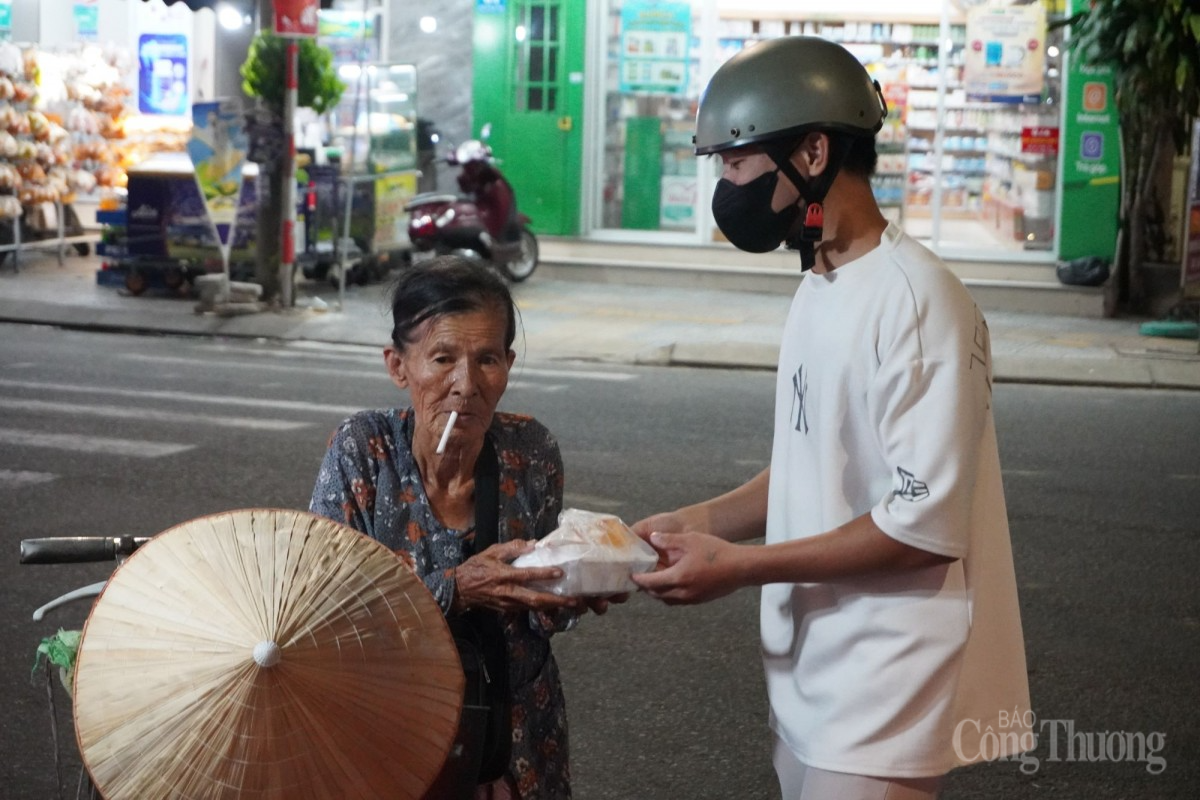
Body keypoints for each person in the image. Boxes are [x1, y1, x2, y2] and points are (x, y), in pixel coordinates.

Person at [631, 36, 1032, 800]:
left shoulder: (916, 303)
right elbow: (813, 460)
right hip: (812, 671)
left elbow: (922, 527)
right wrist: (697, 519)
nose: (727, 186)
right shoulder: (822, 280)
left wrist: (738, 567)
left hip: (882, 687)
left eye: (738, 162)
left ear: (812, 152)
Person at [310, 256, 607, 800]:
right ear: (399, 367)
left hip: (511, 740)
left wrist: (567, 594)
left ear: (508, 365)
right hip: (390, 739)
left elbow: (539, 621)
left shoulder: (531, 452)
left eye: (487, 359)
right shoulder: (363, 451)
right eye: (442, 358)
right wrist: (457, 588)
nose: (465, 385)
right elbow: (327, 621)